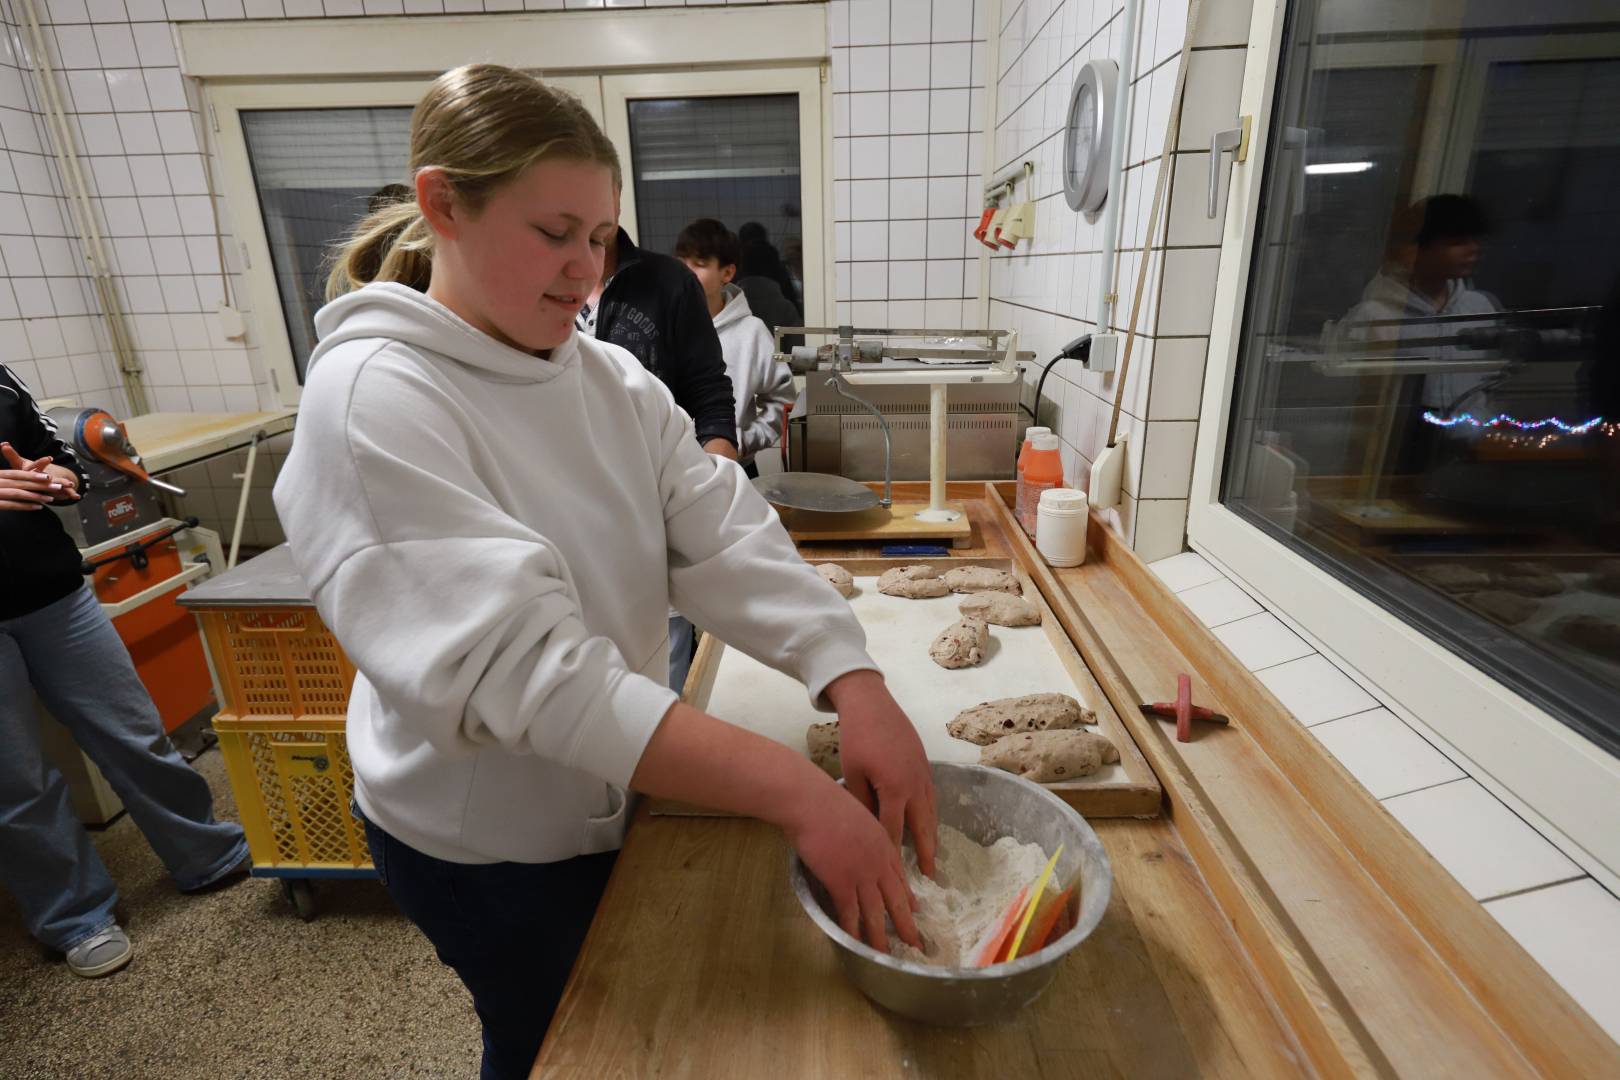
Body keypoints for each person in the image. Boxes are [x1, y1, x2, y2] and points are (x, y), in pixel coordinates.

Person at [279, 65, 936, 1080]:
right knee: (560, 1042)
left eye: (600, 238)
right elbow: (532, 678)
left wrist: (851, 676)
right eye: (554, 234)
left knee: (631, 1023)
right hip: (485, 843)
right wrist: (802, 797)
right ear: (442, 203)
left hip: (599, 787)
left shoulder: (606, 377)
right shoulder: (373, 403)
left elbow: (719, 528)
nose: (586, 272)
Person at [0, 364, 248, 979]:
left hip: (52, 591)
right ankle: (74, 916)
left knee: (131, 730)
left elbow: (54, 449)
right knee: (16, 782)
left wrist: (56, 473)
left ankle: (207, 854)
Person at [578, 205, 739, 463]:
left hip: (659, 474)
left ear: (617, 197)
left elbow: (711, 401)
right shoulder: (533, 286)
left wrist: (720, 479)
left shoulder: (673, 282)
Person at [1339, 195, 1501, 417]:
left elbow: (1491, 381)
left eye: (1475, 239)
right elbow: (1360, 393)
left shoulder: (1479, 306)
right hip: (1399, 440)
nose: (1473, 249)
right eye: (1457, 241)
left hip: (1470, 438)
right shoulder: (1374, 314)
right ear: (1416, 249)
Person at [674, 218, 796, 478]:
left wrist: (740, 441)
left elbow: (782, 400)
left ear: (727, 273)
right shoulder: (666, 327)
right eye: (682, 262)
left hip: (736, 470)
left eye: (700, 264)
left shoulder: (751, 332)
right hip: (675, 473)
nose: (686, 271)